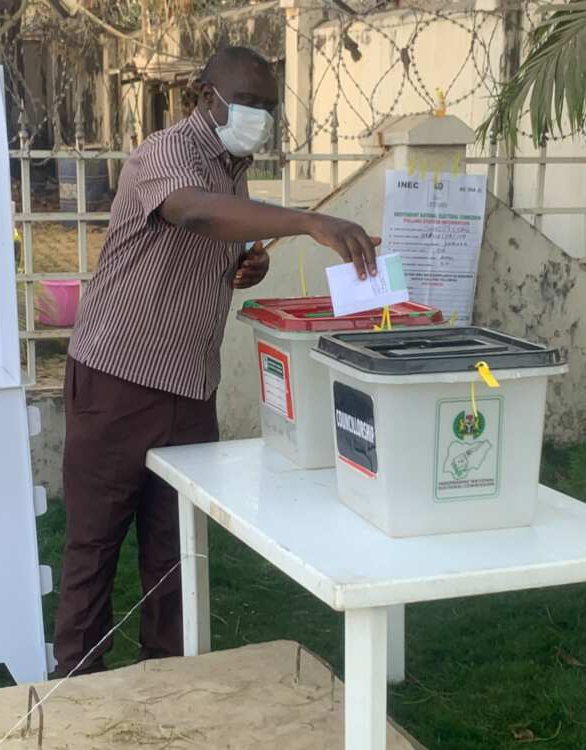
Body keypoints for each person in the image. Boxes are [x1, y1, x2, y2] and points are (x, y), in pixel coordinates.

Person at [51, 45, 380, 677]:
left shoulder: (233, 166)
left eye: (267, 106)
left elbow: (203, 239)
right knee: (93, 545)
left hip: (188, 386)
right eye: (247, 103)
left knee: (176, 550)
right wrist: (307, 221)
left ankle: (167, 682)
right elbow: (193, 210)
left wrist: (241, 267)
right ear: (207, 96)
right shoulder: (166, 154)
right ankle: (75, 689)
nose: (257, 116)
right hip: (118, 378)